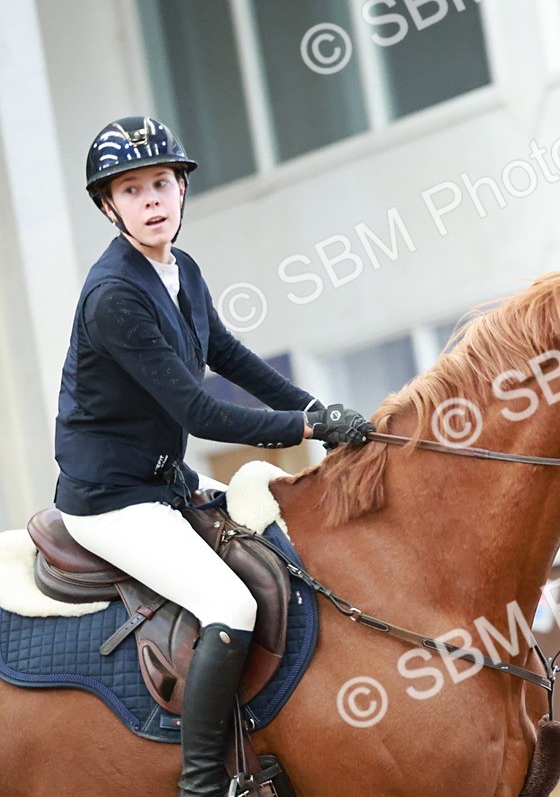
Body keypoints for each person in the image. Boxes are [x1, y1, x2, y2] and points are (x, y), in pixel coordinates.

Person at [54, 116, 374, 797]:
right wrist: (306, 424)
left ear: (181, 189)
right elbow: (199, 413)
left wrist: (320, 412)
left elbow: (230, 356)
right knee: (230, 603)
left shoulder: (181, 270)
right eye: (131, 190)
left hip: (162, 480)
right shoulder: (114, 297)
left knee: (278, 549)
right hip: (111, 499)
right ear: (109, 206)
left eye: (161, 183)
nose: (151, 200)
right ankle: (200, 783)